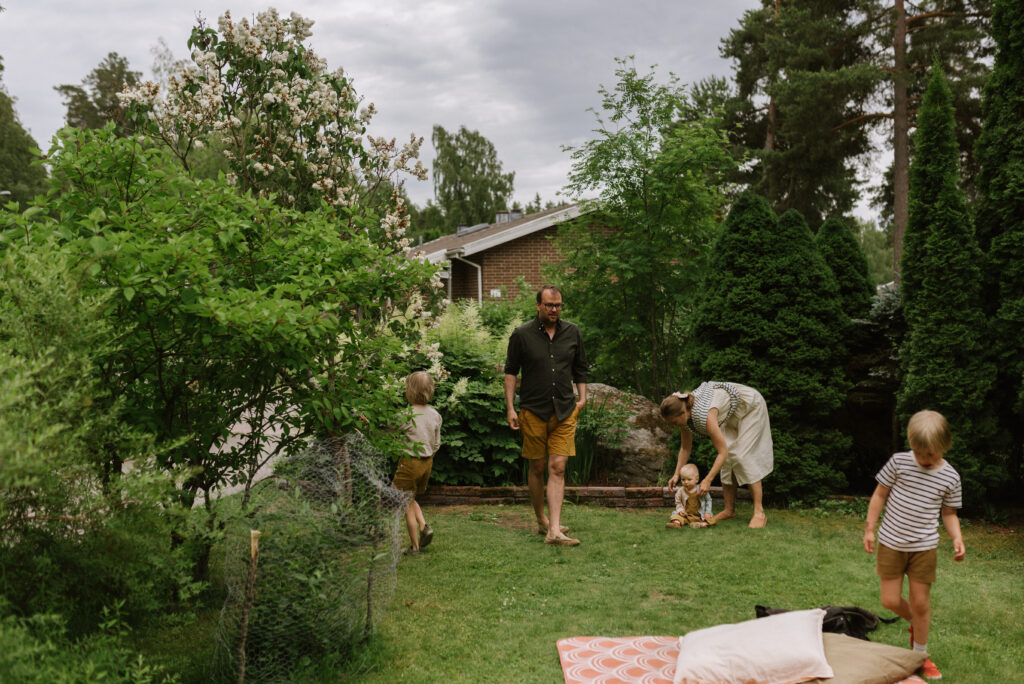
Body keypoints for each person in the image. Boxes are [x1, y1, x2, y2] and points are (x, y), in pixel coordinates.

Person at [863, 410, 965, 681]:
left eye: (929, 454)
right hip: (891, 542)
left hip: (924, 546)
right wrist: (870, 528)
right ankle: (915, 623)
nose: (923, 459)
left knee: (921, 603)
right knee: (890, 600)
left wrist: (957, 537)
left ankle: (920, 654)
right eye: (918, 452)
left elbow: (949, 513)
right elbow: (879, 495)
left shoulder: (950, 477)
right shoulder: (899, 462)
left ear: (944, 446)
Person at [504, 285, 588, 546]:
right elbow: (510, 372)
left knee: (558, 467)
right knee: (538, 467)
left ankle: (554, 530)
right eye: (549, 305)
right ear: (538, 305)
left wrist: (582, 398)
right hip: (533, 410)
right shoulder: (521, 334)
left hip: (565, 410)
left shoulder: (572, 332)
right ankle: (542, 520)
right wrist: (510, 407)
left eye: (558, 305)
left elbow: (580, 368)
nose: (554, 309)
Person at [660, 382, 773, 528]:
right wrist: (676, 474)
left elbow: (722, 452)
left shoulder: (706, 415)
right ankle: (729, 510)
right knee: (728, 458)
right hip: (731, 414)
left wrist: (708, 480)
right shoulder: (685, 416)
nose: (673, 426)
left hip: (750, 407)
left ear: (683, 413)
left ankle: (759, 512)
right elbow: (685, 448)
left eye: (674, 422)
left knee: (742, 457)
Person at [392, 371, 442, 555]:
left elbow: (387, 429)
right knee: (410, 497)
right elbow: (436, 443)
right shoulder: (435, 415)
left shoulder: (406, 415)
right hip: (427, 463)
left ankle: (415, 546)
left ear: (409, 391)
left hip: (409, 463)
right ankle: (423, 526)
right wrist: (428, 455)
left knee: (405, 502)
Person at [666, 463, 714, 529]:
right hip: (686, 515)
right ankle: (676, 523)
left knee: (710, 518)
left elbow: (708, 500)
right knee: (676, 516)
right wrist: (681, 510)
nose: (686, 482)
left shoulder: (701, 489)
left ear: (696, 479)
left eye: (689, 479)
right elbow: (678, 502)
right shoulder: (680, 491)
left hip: (700, 515)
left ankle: (701, 524)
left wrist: (707, 512)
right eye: (683, 479)